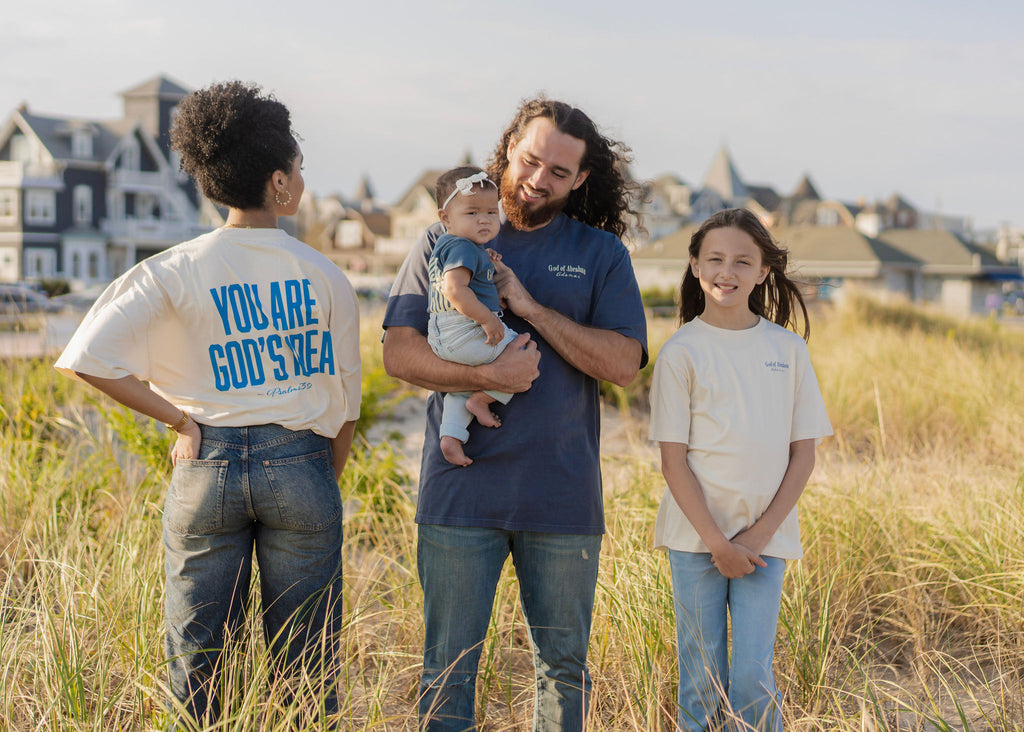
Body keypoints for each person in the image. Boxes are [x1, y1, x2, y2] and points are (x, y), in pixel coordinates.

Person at [54, 81, 361, 726]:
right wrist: (311, 474)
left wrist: (178, 419)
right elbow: (346, 408)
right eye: (298, 168)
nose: (302, 179)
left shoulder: (172, 269)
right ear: (278, 183)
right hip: (300, 462)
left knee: (196, 664)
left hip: (205, 466)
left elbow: (88, 357)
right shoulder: (325, 276)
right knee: (305, 669)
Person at [383, 98, 648, 731]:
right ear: (507, 149)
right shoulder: (439, 239)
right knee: (447, 671)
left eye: (558, 172)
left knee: (562, 670)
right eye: (530, 160)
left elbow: (623, 363)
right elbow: (399, 353)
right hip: (460, 491)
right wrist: (486, 376)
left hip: (560, 496)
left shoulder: (601, 252)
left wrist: (529, 308)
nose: (537, 180)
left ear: (580, 179)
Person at [648, 208, 832, 731]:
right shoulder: (681, 351)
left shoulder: (788, 349)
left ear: (763, 271)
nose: (727, 271)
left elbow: (804, 453)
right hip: (695, 540)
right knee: (700, 679)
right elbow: (672, 460)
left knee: (753, 678)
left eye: (742, 261)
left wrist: (756, 536)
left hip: (764, 543)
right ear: (694, 265)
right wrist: (718, 542)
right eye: (715, 259)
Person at [426, 165, 518, 467]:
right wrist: (488, 319)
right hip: (462, 329)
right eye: (472, 213)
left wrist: (486, 264)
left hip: (445, 334)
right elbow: (455, 290)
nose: (484, 219)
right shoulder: (463, 248)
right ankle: (483, 398)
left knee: (459, 390)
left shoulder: (455, 247)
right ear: (445, 218)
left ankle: (451, 438)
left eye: (492, 213)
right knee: (524, 354)